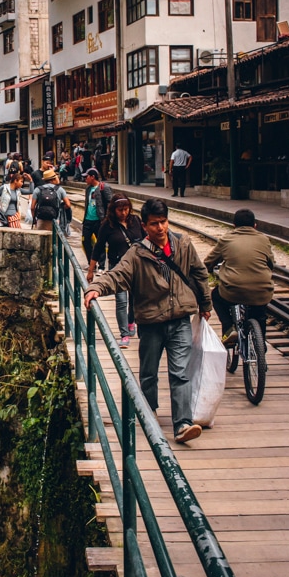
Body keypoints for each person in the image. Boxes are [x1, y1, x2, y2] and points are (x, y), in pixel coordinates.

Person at [84, 198, 212, 444]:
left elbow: (199, 273)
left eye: (163, 222)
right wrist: (96, 287)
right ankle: (149, 409)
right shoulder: (137, 254)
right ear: (144, 226)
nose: (160, 228)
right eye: (154, 224)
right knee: (149, 373)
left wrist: (205, 304)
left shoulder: (183, 245)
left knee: (180, 373)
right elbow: (117, 275)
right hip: (151, 322)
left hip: (180, 320)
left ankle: (182, 424)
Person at [204, 208, 274, 343]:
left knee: (216, 296)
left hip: (233, 292)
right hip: (262, 292)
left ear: (234, 226)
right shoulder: (264, 240)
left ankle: (229, 328)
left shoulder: (226, 239)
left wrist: (211, 268)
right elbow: (270, 264)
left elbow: (208, 262)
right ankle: (261, 345)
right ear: (255, 225)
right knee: (260, 315)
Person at [86, 195, 145, 348]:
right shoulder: (107, 225)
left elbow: (146, 240)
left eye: (126, 209)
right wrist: (91, 270)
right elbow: (98, 248)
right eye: (120, 210)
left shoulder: (136, 221)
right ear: (113, 210)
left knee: (135, 299)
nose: (123, 213)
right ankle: (124, 334)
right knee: (121, 301)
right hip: (117, 267)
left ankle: (131, 321)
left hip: (136, 266)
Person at [82, 167, 113, 267]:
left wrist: (106, 218)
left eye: (86, 177)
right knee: (85, 241)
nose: (85, 179)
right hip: (87, 220)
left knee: (100, 243)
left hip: (99, 220)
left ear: (92, 177)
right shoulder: (88, 189)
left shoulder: (104, 187)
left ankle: (101, 265)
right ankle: (91, 263)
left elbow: (110, 203)